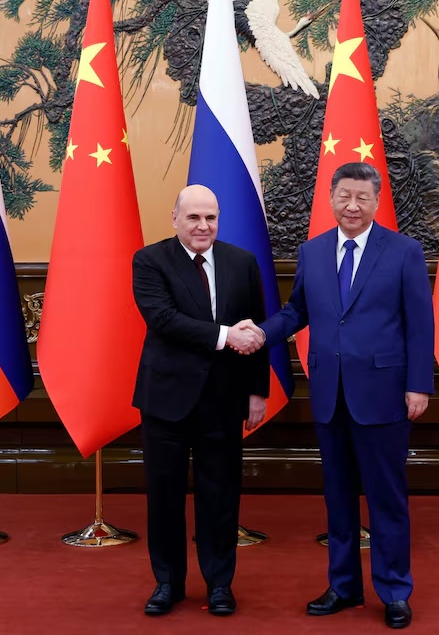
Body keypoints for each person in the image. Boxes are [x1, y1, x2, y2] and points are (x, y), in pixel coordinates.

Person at [235, 162, 434, 629]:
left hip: (385, 394)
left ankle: (394, 590)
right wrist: (263, 334)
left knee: (386, 499)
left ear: (376, 200)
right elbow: (298, 310)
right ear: (330, 197)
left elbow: (420, 324)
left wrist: (419, 384)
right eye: (344, 196)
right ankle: (343, 586)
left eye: (362, 197)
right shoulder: (314, 251)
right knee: (338, 499)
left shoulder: (404, 251)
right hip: (329, 393)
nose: (352, 205)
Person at [132, 184, 268, 617]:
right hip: (166, 401)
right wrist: (227, 336)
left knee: (221, 498)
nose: (203, 226)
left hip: (223, 401)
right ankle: (167, 583)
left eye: (210, 217)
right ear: (174, 218)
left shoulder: (241, 263)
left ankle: (219, 585)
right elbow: (164, 319)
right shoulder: (150, 261)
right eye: (193, 217)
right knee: (165, 498)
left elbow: (258, 331)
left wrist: (257, 391)